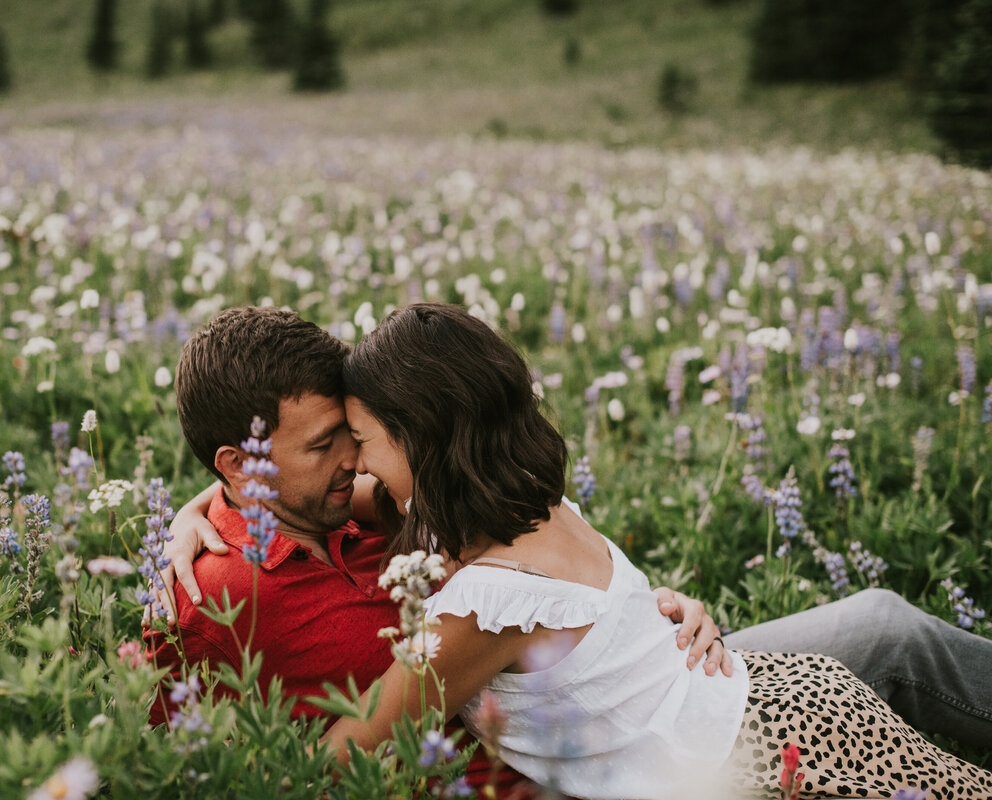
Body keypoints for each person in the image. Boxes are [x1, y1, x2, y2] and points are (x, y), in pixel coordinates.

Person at [320, 303, 992, 799]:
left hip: (749, 758)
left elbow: (347, 754)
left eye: (361, 438)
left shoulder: (487, 605)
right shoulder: (529, 500)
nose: (354, 461)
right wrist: (214, 501)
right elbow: (320, 500)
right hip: (780, 698)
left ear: (423, 441)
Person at [144, 305, 730, 798]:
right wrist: (195, 512)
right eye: (325, 445)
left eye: (356, 435)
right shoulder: (206, 599)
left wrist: (633, 618)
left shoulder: (391, 501)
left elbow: (540, 591)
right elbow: (182, 766)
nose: (355, 460)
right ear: (242, 466)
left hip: (662, 731)